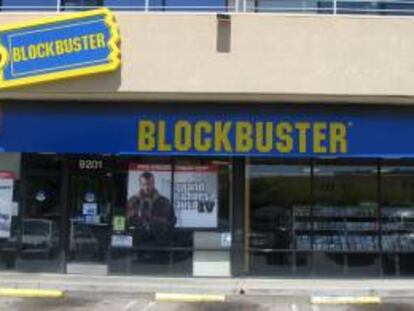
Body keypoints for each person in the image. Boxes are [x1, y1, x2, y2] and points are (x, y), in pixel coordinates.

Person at [127, 171, 176, 246]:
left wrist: (152, 219)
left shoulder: (164, 201)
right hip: (137, 243)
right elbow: (127, 221)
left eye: (149, 184)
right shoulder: (132, 201)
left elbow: (171, 221)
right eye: (144, 184)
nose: (146, 188)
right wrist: (139, 219)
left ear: (153, 184)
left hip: (159, 243)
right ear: (140, 185)